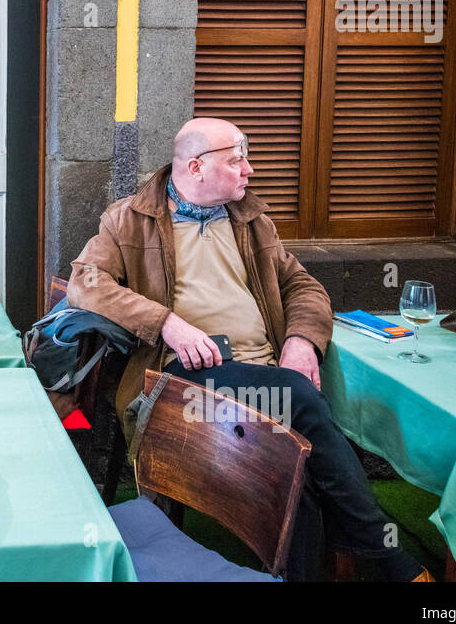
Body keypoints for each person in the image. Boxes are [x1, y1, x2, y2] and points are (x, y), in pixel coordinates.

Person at [67, 117, 431, 582]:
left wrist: (302, 341)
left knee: (293, 464)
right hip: (182, 384)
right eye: (237, 158)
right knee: (298, 399)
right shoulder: (129, 218)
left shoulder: (250, 220)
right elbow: (86, 282)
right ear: (196, 167)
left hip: (262, 375)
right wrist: (167, 325)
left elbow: (303, 286)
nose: (249, 169)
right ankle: (384, 556)